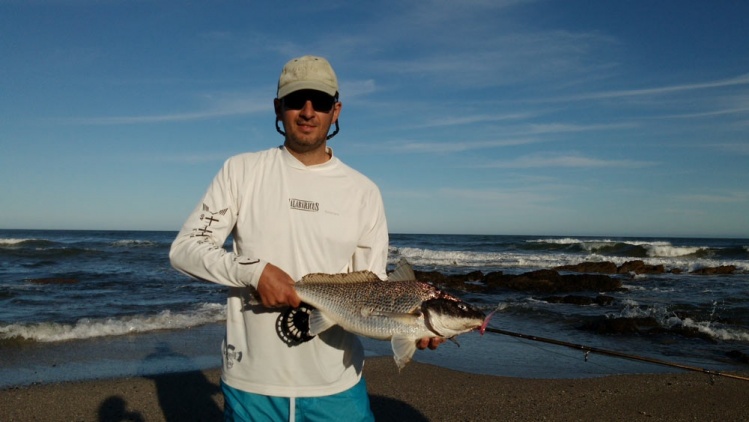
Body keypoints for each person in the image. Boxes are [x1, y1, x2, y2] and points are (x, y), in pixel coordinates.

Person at [170, 55, 441, 421]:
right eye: (297, 101)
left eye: (321, 102)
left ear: (337, 110)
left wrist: (415, 328)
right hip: (252, 386)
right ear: (278, 108)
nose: (308, 112)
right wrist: (254, 272)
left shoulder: (363, 192)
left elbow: (372, 292)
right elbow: (185, 250)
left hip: (337, 385)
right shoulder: (241, 171)